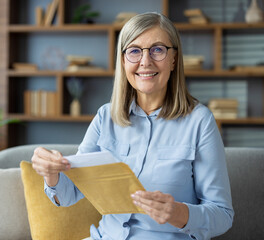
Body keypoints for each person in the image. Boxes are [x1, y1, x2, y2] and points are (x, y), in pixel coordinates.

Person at [32, 12, 234, 240]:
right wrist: (51, 175)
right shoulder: (105, 117)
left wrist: (178, 213)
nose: (145, 61)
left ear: (174, 59)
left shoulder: (200, 122)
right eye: (134, 51)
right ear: (123, 60)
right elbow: (70, 194)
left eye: (158, 49)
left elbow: (222, 215)